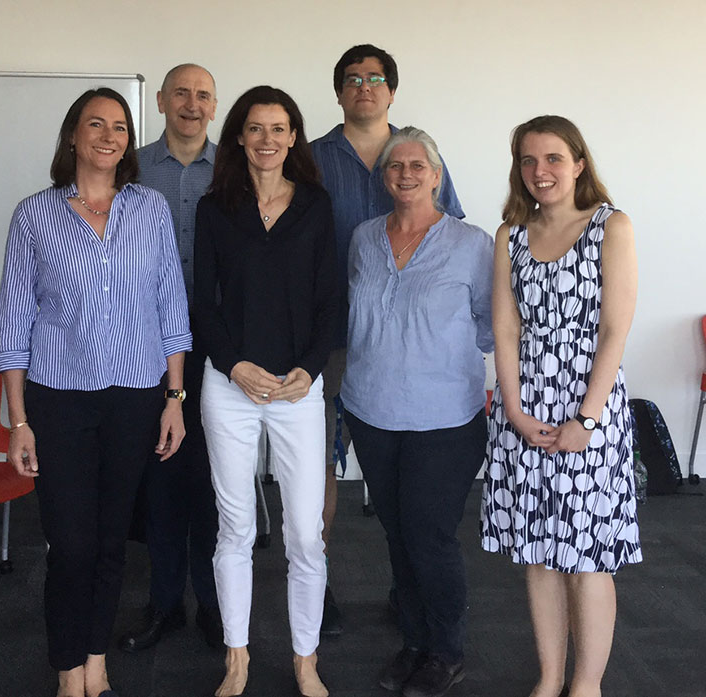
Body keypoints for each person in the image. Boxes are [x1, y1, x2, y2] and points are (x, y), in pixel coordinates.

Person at [0, 88, 191, 697]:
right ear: (72, 136)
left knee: (109, 543)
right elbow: (13, 323)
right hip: (60, 400)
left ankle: (95, 664)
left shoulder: (150, 210)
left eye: (121, 127)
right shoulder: (34, 216)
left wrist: (174, 399)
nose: (109, 135)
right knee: (71, 545)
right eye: (95, 124)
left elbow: (170, 309)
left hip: (135, 396)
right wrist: (19, 422)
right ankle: (66, 670)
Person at [480, 115, 642, 697]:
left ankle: (586, 685)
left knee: (588, 555)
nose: (539, 172)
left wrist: (587, 420)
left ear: (578, 163)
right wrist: (516, 412)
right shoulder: (510, 236)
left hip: (587, 409)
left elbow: (614, 332)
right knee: (539, 552)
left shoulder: (610, 226)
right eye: (528, 161)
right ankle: (549, 678)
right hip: (525, 411)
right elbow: (505, 330)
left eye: (552, 159)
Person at [310, 44, 465, 634]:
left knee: (403, 483)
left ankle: (411, 592)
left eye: (376, 78)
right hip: (331, 339)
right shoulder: (313, 157)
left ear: (391, 91)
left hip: (410, 353)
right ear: (340, 91)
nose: (364, 87)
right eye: (352, 78)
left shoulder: (418, 151)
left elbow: (453, 238)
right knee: (320, 470)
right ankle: (316, 589)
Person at [194, 85, 337, 697]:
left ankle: (306, 660)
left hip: (298, 386)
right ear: (239, 138)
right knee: (237, 527)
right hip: (230, 384)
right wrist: (233, 366)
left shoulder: (316, 206)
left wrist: (309, 367)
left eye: (279, 129)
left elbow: (331, 302)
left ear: (294, 138)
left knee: (305, 531)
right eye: (255, 129)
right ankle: (237, 657)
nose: (267, 140)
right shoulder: (214, 208)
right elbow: (201, 304)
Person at [341, 127, 493, 697]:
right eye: (393, 167)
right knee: (397, 534)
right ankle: (413, 640)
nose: (404, 174)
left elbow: (489, 323)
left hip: (444, 419)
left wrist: (432, 353)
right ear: (384, 178)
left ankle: (446, 650)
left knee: (429, 536)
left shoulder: (472, 243)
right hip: (372, 410)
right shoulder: (362, 237)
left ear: (436, 173)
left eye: (416, 165)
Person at [119, 63, 223, 653]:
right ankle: (163, 605)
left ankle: (211, 604)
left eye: (202, 95)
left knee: (211, 481)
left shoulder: (234, 170)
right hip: (144, 343)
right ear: (159, 101)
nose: (191, 103)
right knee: (159, 479)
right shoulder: (130, 167)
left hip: (215, 346)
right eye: (180, 92)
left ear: (215, 106)